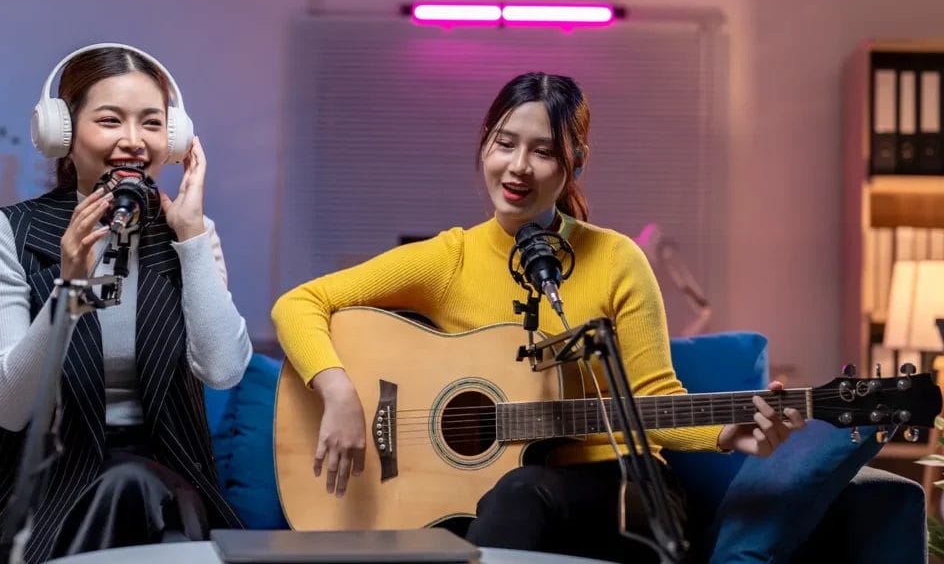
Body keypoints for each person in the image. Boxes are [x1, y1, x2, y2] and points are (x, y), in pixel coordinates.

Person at [270, 72, 806, 563]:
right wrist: (337, 391)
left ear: (576, 162)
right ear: (484, 143)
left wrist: (727, 433)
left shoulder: (618, 260)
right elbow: (298, 303)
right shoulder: (449, 258)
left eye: (543, 151)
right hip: (498, 501)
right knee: (497, 499)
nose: (518, 166)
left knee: (521, 490)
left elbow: (654, 399)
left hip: (622, 493)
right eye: (505, 143)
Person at [0, 44, 251, 564]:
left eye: (151, 123)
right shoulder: (10, 232)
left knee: (135, 482)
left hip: (166, 478)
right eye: (109, 121)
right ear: (62, 134)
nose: (132, 141)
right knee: (130, 489)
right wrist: (68, 289)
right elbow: (9, 411)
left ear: (173, 138)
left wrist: (190, 237)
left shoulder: (190, 236)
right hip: (44, 481)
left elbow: (224, 370)